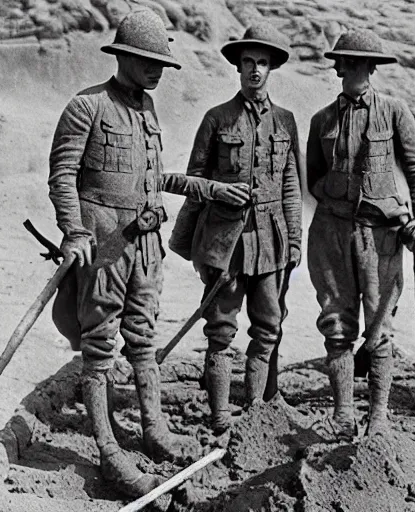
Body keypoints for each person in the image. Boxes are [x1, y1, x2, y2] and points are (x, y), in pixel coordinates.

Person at [48, 9, 250, 498]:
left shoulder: (147, 110)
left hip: (145, 246)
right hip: (104, 247)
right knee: (99, 346)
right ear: (124, 57)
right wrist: (74, 232)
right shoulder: (87, 106)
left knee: (143, 337)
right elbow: (62, 177)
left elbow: (153, 180)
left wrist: (208, 189)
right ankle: (108, 450)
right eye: (147, 60)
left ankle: (154, 430)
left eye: (162, 61)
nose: (157, 69)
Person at [169, 22, 302, 434]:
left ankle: (257, 414)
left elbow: (291, 185)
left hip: (271, 243)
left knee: (268, 327)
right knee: (221, 331)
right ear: (238, 67)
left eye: (263, 63)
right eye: (248, 62)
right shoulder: (216, 118)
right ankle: (221, 418)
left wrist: (294, 239)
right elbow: (193, 180)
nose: (255, 70)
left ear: (271, 68)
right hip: (224, 244)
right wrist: (219, 195)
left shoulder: (285, 121)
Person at [306, 29, 415, 440]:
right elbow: (313, 178)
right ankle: (344, 415)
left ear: (372, 68)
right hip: (331, 234)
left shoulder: (394, 112)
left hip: (381, 237)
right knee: (336, 324)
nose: (353, 69)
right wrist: (337, 202)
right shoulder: (322, 119)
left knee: (380, 329)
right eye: (347, 61)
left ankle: (378, 416)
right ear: (339, 66)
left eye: (362, 63)